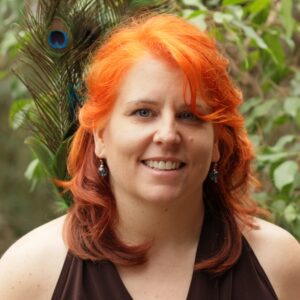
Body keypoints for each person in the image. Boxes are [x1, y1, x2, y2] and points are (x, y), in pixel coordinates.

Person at [0, 14, 299, 300]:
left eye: (190, 115)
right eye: (144, 112)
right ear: (100, 136)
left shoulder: (278, 265)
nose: (168, 135)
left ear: (217, 142)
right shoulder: (30, 274)